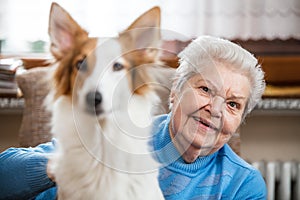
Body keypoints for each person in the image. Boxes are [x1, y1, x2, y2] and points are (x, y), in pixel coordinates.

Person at [0, 35, 267, 200]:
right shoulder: (117, 132)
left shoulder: (243, 184)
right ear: (175, 91)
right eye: (206, 89)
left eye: (233, 104)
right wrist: (62, 166)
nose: (216, 110)